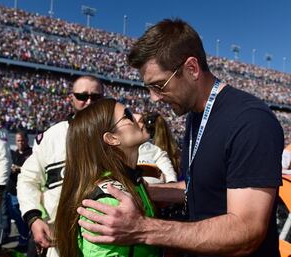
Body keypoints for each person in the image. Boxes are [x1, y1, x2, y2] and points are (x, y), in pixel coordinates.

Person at [76, 19, 284, 257]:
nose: (154, 98)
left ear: (192, 68)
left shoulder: (250, 121)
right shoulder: (195, 114)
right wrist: (142, 192)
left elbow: (246, 230)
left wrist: (142, 229)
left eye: (159, 85)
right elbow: (200, 186)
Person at [55, 98, 161, 257]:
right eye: (127, 115)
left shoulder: (132, 181)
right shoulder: (108, 200)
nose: (139, 116)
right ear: (112, 138)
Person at [17, 75, 103, 256]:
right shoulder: (51, 136)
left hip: (104, 239)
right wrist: (33, 218)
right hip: (59, 237)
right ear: (71, 98)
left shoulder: (119, 135)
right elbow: (27, 179)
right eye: (82, 96)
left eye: (95, 97)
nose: (88, 101)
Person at [5, 130, 32, 250]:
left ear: (27, 140)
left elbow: (34, 171)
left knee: (22, 219)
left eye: (22, 140)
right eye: (18, 141)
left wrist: (19, 169)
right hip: (11, 191)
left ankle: (25, 241)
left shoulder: (32, 153)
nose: (20, 143)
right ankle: (22, 239)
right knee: (15, 218)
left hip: (23, 191)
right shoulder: (13, 154)